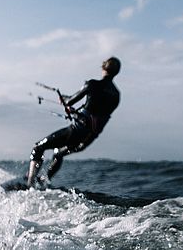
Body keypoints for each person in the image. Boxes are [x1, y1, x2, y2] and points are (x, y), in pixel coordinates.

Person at [26, 57, 121, 187]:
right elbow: (97, 112)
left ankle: (29, 185)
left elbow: (70, 101)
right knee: (58, 153)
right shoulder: (116, 95)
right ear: (117, 72)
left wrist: (65, 100)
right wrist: (77, 112)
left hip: (76, 131)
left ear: (103, 68)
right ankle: (43, 182)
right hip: (88, 139)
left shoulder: (92, 84)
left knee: (38, 147)